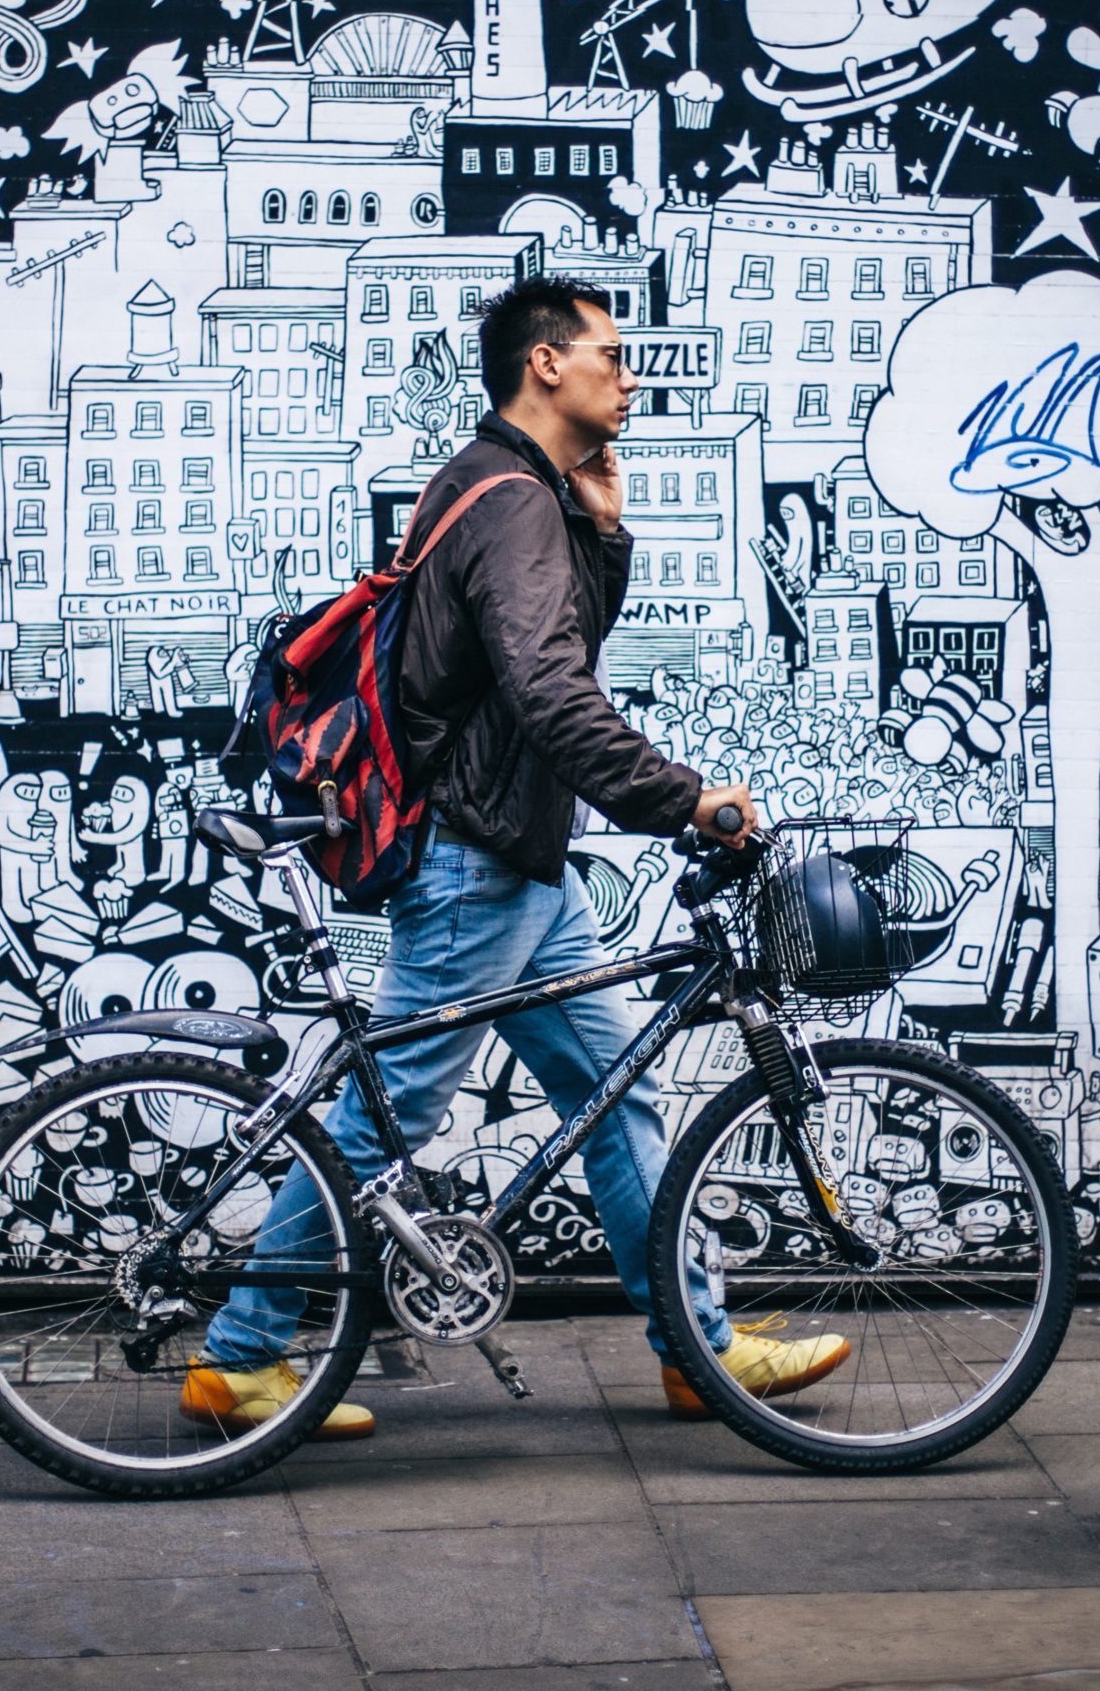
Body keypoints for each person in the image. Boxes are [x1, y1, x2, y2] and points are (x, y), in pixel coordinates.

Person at [182, 278, 851, 1441]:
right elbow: (553, 692)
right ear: (545, 364)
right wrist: (685, 800)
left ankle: (695, 1347)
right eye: (610, 351)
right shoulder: (507, 501)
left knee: (613, 1090)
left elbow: (551, 651)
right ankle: (239, 1357)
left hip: (516, 861)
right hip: (475, 859)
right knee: (383, 1119)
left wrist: (602, 525)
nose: (628, 373)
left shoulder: (506, 489)